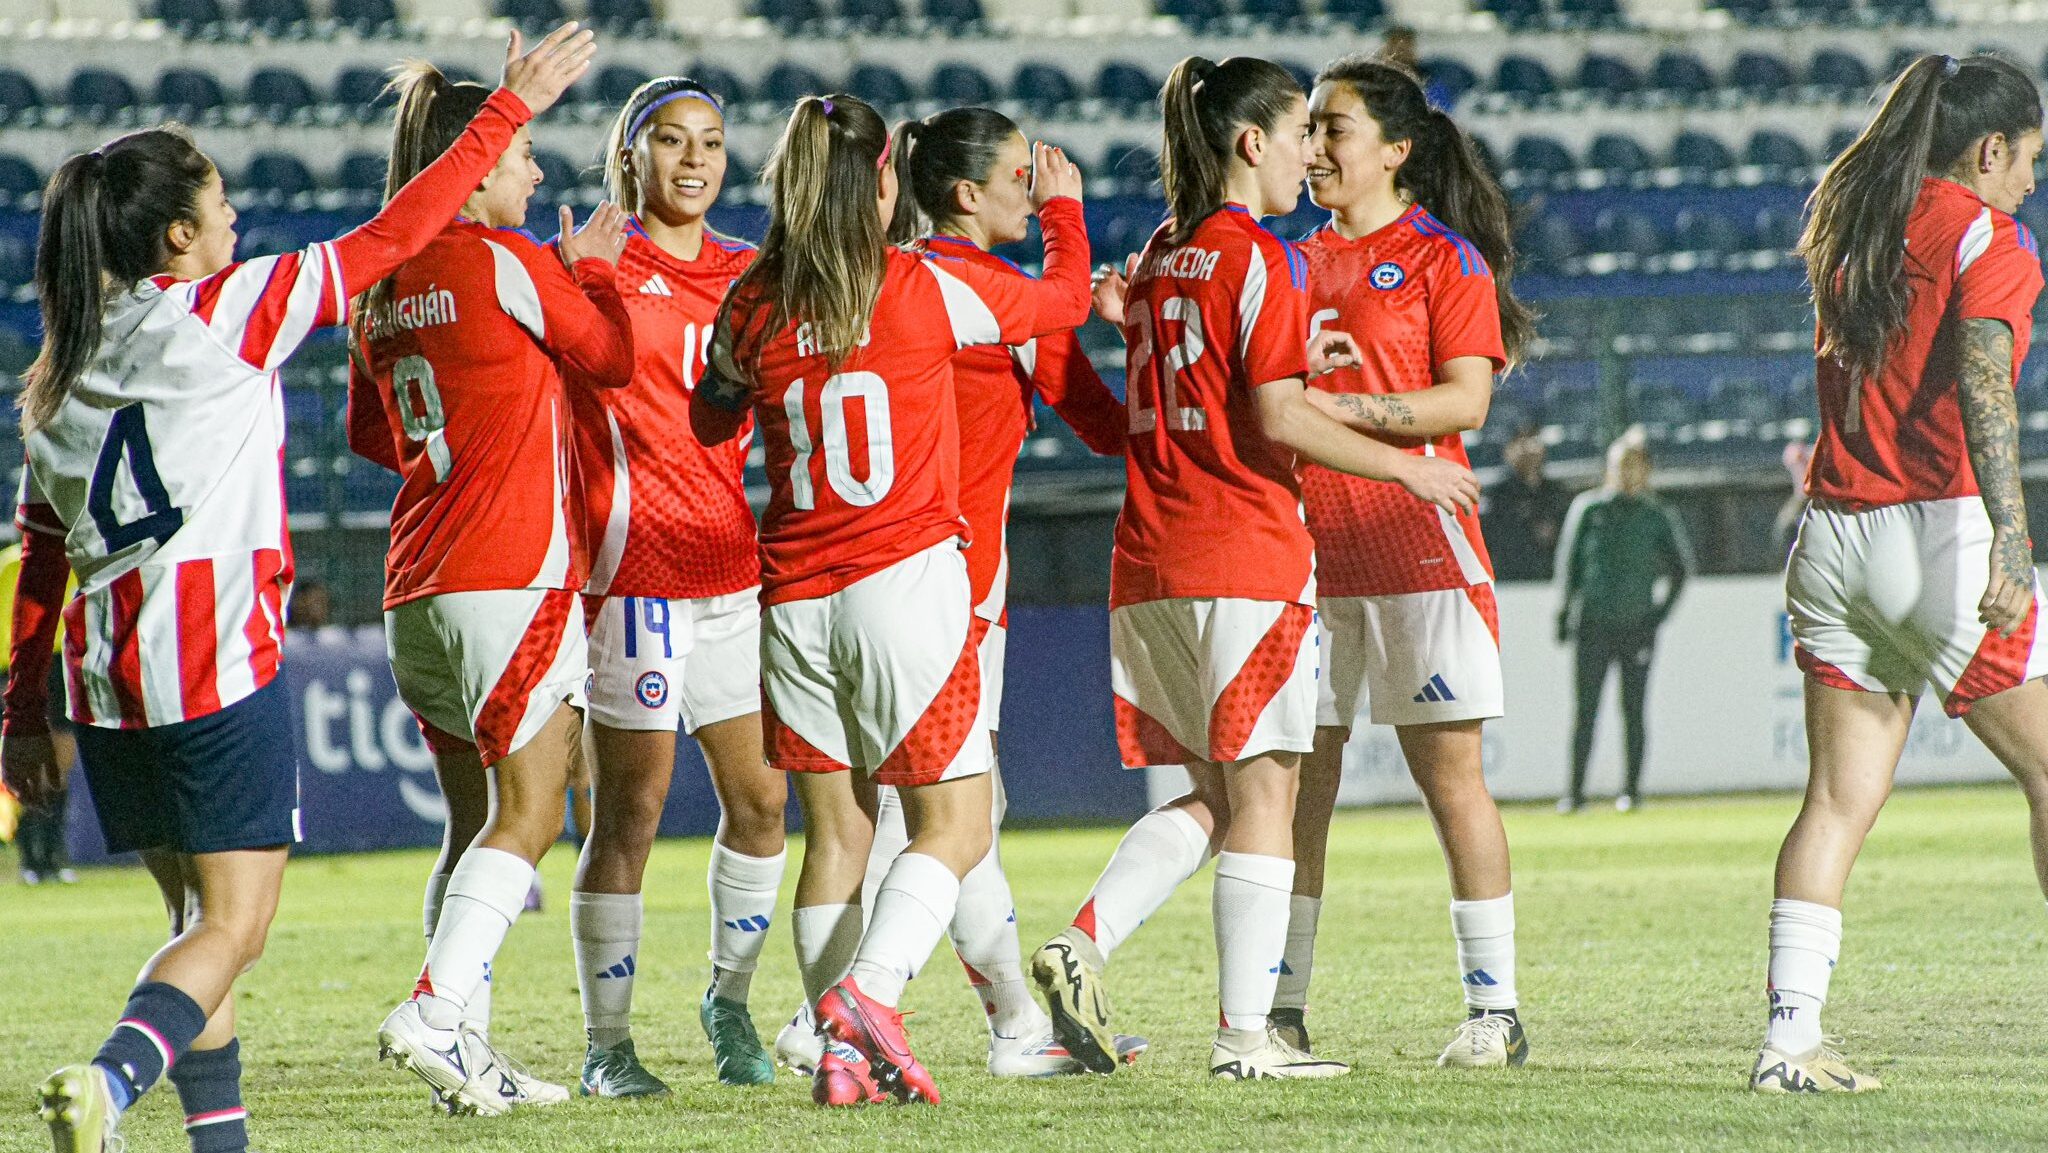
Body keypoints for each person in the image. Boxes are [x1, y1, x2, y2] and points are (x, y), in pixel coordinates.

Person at [7, 24, 594, 1153]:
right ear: (179, 237)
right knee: (235, 925)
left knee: (194, 925)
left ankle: (217, 1143)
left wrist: (20, 713)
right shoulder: (221, 315)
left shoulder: (59, 370)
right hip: (213, 665)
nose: (237, 223)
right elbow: (395, 234)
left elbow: (39, 558)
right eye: (219, 208)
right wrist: (505, 112)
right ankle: (113, 1081)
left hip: (106, 682)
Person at [1027, 55, 1480, 1082]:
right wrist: (1407, 467)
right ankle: (1246, 1039)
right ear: (1249, 143)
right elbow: (1274, 416)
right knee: (1267, 796)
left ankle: (1085, 937)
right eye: (1295, 136)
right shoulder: (1259, 257)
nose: (1307, 155)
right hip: (1244, 552)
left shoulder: (1160, 251)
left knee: (1215, 800)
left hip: (1146, 562)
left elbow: (1205, 370)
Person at [690, 93, 1091, 1106]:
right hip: (900, 585)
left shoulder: (752, 297)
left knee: (836, 835)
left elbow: (710, 418)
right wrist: (1065, 212)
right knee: (952, 826)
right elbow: (1063, 303)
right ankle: (867, 999)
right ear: (881, 184)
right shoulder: (916, 285)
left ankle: (840, 1051)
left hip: (791, 600)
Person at [788, 104, 1136, 1080]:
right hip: (945, 588)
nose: (1036, 187)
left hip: (817, 576)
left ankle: (975, 1021)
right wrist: (1103, 278)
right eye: (1022, 174)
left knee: (879, 816)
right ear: (964, 192)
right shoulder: (988, 298)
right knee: (949, 815)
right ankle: (870, 1012)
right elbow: (1111, 429)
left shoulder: (850, 286)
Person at [346, 52, 634, 1116]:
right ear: (467, 169)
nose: (533, 173)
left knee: (471, 824)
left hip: (415, 583)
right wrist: (587, 269)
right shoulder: (503, 258)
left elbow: (369, 431)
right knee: (532, 814)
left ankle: (463, 1049)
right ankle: (432, 1009)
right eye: (517, 155)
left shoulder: (379, 283)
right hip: (508, 573)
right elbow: (610, 357)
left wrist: (462, 432)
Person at [1756, 53, 2048, 1093]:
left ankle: (1786, 1041)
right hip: (1934, 534)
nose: (2027, 182)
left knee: (1833, 802)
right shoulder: (1986, 235)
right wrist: (2012, 537)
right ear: (1987, 148)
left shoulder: (1858, 229)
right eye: (2026, 161)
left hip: (1831, 534)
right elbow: (1983, 389)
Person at [1274, 54, 1537, 1069]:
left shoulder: (1440, 259)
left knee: (1448, 780)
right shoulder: (1286, 258)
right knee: (1299, 786)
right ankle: (1281, 1005)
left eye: (1330, 128)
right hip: (1306, 557)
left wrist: (1338, 410)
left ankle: (1495, 1010)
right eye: (1307, 128)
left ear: (1394, 150)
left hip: (1418, 554)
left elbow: (1463, 402)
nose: (1312, 149)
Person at [565, 75, 788, 1096]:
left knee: (762, 802)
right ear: (630, 158)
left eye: (710, 141)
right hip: (636, 578)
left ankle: (728, 1001)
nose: (693, 161)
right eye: (670, 143)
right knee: (633, 813)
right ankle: (608, 1045)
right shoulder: (598, 265)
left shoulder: (754, 272)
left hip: (730, 574)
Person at [1555, 428, 1692, 813]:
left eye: (1633, 466)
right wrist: (1565, 612)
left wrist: (1657, 617)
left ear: (1646, 471)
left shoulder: (1655, 516)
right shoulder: (1588, 510)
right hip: (1593, 625)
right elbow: (1570, 566)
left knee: (1633, 710)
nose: (1626, 473)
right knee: (1585, 711)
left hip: (1636, 627)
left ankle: (1631, 790)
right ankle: (1574, 792)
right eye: (1619, 466)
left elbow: (1681, 570)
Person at [0, 537, 79, 885]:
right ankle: (32, 856)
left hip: (60, 663)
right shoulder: (10, 564)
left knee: (58, 767)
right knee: (34, 763)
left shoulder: (74, 558)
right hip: (21, 665)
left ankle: (51, 853)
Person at [1484, 423, 1571, 581]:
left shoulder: (1556, 491)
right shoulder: (1499, 495)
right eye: (1521, 443)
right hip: (1511, 578)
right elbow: (1495, 536)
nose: (1529, 449)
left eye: (1534, 441)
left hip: (1549, 576)